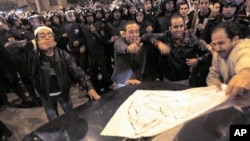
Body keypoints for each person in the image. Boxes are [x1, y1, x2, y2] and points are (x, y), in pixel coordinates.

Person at [23, 26, 100, 121]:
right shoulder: (34, 57)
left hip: (63, 92)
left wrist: (89, 87)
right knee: (53, 121)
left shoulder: (63, 54)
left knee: (71, 116)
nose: (47, 38)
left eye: (49, 35)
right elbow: (11, 48)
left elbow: (77, 71)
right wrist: (34, 46)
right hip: (46, 95)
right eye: (42, 36)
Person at [142, 14, 211, 86]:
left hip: (186, 80)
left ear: (184, 27)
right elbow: (145, 36)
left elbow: (208, 53)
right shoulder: (165, 36)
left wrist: (197, 60)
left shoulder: (192, 39)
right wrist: (158, 43)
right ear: (170, 28)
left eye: (181, 26)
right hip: (167, 80)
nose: (179, 29)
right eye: (175, 27)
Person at [111, 20, 169, 89]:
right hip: (120, 83)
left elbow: (141, 66)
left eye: (136, 31)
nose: (135, 35)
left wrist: (157, 43)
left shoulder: (141, 44)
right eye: (131, 32)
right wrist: (128, 48)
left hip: (134, 81)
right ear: (124, 34)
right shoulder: (119, 41)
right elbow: (120, 47)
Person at [206, 22, 250, 97]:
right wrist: (215, 86)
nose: (217, 49)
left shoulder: (241, 47)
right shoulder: (217, 55)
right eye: (214, 44)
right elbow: (213, 74)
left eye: (221, 43)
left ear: (235, 40)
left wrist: (246, 73)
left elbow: (245, 56)